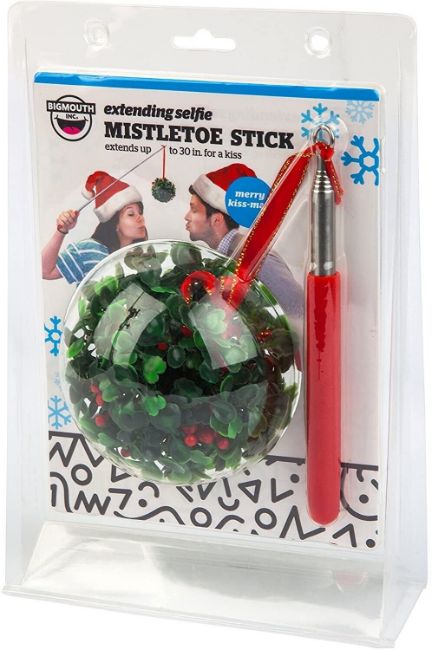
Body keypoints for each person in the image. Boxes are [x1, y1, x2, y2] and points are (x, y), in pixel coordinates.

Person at [185, 163, 304, 320]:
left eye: (194, 210)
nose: (186, 216)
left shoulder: (257, 259)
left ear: (217, 220)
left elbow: (299, 311)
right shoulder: (223, 256)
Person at [42, 171, 148, 284]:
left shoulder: (141, 257)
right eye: (131, 214)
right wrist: (61, 230)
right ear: (114, 223)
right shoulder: (90, 250)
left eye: (140, 212)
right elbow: (45, 271)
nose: (140, 218)